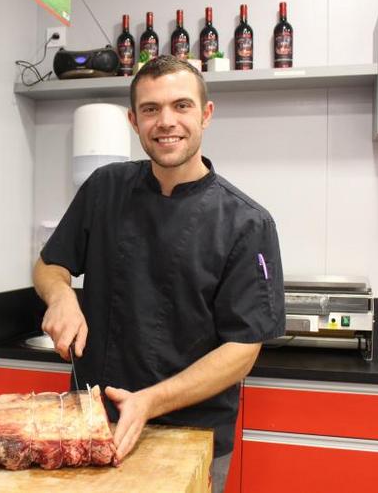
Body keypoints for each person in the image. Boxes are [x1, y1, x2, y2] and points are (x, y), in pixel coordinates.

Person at [33, 55, 285, 492]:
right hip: (92, 422)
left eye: (181, 106)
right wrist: (61, 296)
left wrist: (149, 402)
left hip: (189, 433)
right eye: (150, 109)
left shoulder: (247, 223)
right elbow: (49, 266)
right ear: (134, 121)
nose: (166, 122)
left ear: (206, 114)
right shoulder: (103, 188)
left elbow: (243, 349)